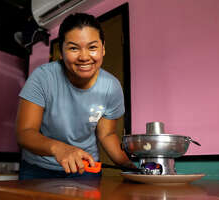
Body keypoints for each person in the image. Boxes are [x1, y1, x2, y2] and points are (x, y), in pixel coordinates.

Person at [16, 13, 134, 180]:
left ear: (103, 48)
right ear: (61, 52)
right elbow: (25, 133)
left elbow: (106, 134)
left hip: (85, 169)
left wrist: (129, 166)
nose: (84, 57)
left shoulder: (111, 87)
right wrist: (59, 149)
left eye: (92, 47)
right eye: (73, 48)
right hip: (38, 168)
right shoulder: (42, 77)